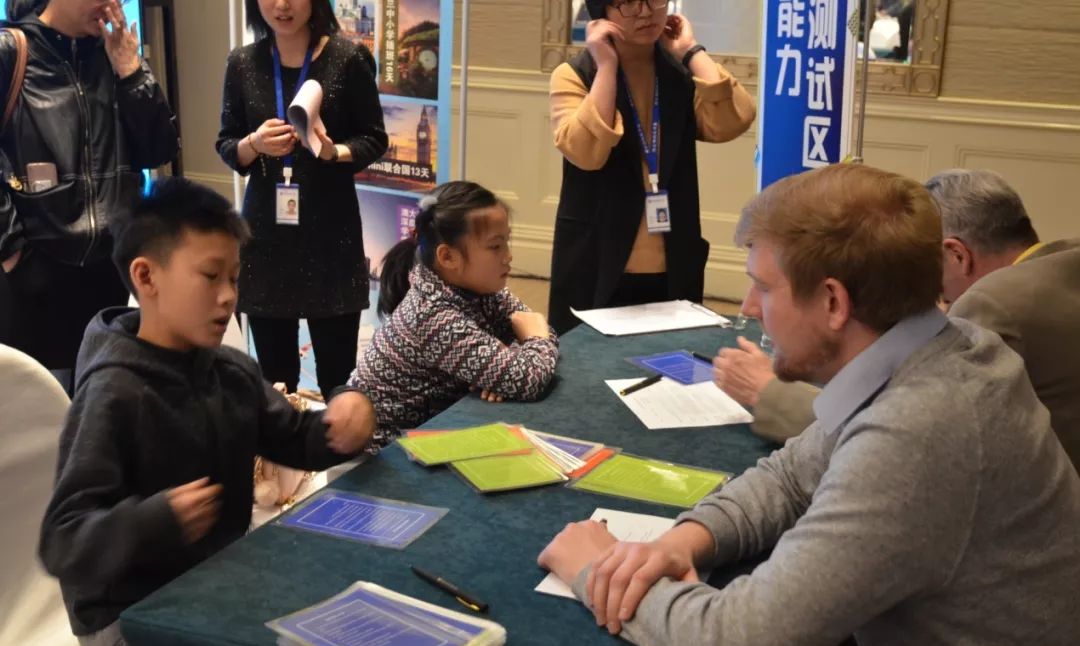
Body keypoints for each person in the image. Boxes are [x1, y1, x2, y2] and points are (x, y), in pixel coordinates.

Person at [537, 164, 1080, 646]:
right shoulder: (947, 344)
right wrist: (685, 540)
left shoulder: (917, 434)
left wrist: (595, 570)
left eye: (764, 287)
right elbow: (794, 473)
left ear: (833, 303)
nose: (748, 308)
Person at [38, 178, 377, 646]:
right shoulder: (115, 393)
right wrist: (152, 520)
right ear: (146, 277)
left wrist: (341, 426)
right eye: (210, 276)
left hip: (211, 585)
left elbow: (295, 439)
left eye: (235, 278)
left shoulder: (231, 371)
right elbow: (62, 541)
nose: (228, 297)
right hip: (128, 621)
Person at [717, 169, 1080, 469]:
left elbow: (902, 435)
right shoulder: (1062, 262)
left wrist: (768, 393)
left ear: (956, 255)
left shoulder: (993, 305)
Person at [0, 0, 179, 391]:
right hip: (34, 273)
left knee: (100, 410)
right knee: (40, 423)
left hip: (107, 272)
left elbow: (160, 149)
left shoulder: (114, 56)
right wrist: (12, 250)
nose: (111, 3)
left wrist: (132, 73)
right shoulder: (11, 52)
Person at [547, 0, 755, 334]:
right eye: (628, 4)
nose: (646, 13)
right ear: (603, 12)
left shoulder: (678, 71)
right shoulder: (575, 74)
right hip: (597, 256)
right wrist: (606, 67)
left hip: (673, 255)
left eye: (654, 0)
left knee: (671, 366)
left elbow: (733, 121)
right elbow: (586, 153)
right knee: (588, 370)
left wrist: (690, 50)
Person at [217, 0, 388, 398]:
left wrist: (333, 152)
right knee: (275, 383)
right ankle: (281, 460)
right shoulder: (243, 62)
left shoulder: (347, 58)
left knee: (337, 379)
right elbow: (227, 145)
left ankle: (340, 459)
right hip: (265, 236)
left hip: (331, 233)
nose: (281, 5)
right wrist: (254, 143)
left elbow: (374, 138)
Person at [348, 181, 559, 451]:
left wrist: (509, 363)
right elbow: (531, 375)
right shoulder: (433, 317)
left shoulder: (479, 288)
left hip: (433, 434)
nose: (508, 256)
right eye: (495, 246)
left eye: (506, 241)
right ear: (448, 257)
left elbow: (529, 337)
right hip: (385, 455)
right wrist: (527, 347)